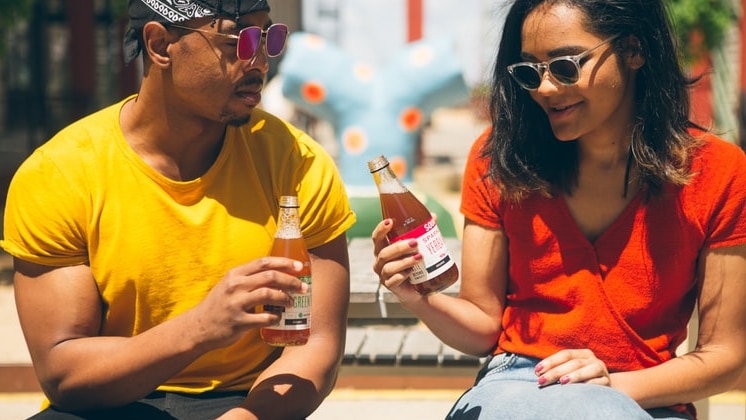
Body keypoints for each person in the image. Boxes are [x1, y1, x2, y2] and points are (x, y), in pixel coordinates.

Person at [372, 0, 746, 418]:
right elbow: (482, 325)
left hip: (642, 394)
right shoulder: (500, 159)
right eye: (529, 71)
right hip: (519, 381)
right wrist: (417, 298)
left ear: (634, 50)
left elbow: (725, 357)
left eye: (565, 65)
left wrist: (612, 386)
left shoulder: (718, 172)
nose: (545, 89)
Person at [1, 1, 356, 419]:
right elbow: (64, 374)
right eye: (238, 38)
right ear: (160, 44)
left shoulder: (296, 163)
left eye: (268, 38)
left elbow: (316, 342)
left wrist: (246, 417)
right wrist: (201, 329)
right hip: (109, 399)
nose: (259, 59)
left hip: (251, 400)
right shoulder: (60, 173)